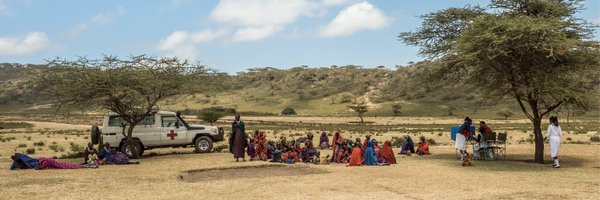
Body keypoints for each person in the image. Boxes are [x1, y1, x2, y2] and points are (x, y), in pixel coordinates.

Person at [10, 153, 87, 170]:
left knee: (61, 165)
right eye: (14, 159)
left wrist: (39, 167)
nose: (15, 159)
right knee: (61, 165)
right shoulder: (19, 162)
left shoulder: (23, 159)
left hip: (43, 161)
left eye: (15, 158)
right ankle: (80, 166)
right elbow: (13, 167)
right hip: (43, 162)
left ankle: (80, 166)